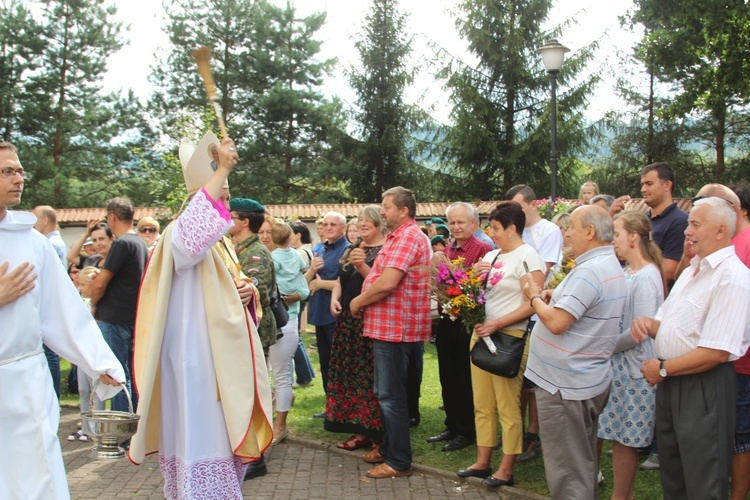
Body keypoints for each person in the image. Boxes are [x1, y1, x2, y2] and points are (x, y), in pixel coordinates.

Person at [128, 132, 273, 498]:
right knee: (202, 440)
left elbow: (234, 284)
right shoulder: (180, 233)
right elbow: (189, 248)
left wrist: (249, 291)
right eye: (220, 196)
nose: (225, 206)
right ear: (199, 201)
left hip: (220, 356)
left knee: (222, 442)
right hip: (196, 361)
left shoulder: (221, 240)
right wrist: (221, 168)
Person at [0, 140, 124, 499]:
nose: (18, 178)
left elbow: (63, 311)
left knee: (35, 479)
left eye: (19, 170)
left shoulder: (33, 243)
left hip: (25, 384)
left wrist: (98, 362)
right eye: (7, 171)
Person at [631, 196, 750, 500]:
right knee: (674, 474)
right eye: (688, 223)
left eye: (696, 224)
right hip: (674, 380)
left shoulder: (733, 278)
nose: (687, 231)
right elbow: (676, 327)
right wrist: (649, 324)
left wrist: (662, 368)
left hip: (703, 384)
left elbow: (716, 352)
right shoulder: (694, 271)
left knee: (704, 478)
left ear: (721, 230)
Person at [521, 205, 627, 499]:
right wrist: (555, 296)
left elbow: (556, 322)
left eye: (572, 227)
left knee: (568, 473)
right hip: (582, 381)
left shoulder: (590, 270)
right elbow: (584, 305)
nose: (566, 232)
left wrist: (532, 296)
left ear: (590, 232)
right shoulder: (604, 264)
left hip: (565, 387)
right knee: (580, 464)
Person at [456, 201, 545, 489]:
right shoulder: (493, 255)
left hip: (509, 338)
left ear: (512, 227)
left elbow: (534, 304)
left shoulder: (528, 256)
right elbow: (480, 295)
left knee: (508, 406)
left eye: (495, 228)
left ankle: (507, 467)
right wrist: (474, 281)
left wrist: (498, 322)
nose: (491, 233)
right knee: (482, 403)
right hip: (482, 335)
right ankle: (482, 462)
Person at [350, 186, 432, 479]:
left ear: (403, 210)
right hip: (390, 328)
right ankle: (389, 449)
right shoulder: (401, 236)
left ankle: (398, 461)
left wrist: (357, 302)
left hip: (395, 330)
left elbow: (387, 283)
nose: (382, 212)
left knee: (391, 397)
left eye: (386, 207)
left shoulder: (408, 236)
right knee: (386, 393)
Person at [597, 211, 665, 499]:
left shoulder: (647, 276)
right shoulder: (628, 272)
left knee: (626, 441)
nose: (614, 240)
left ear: (634, 237)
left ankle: (622, 495)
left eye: (617, 233)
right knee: (615, 436)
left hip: (635, 371)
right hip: (618, 368)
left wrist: (603, 345)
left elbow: (640, 329)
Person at [505, 184, 564, 462]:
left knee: (533, 379)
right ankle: (515, 432)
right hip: (516, 308)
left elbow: (543, 272)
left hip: (538, 307)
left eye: (519, 206)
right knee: (518, 374)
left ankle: (533, 433)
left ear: (532, 204)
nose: (516, 212)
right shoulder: (516, 230)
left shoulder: (549, 231)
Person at [427, 202, 491, 452]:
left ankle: (466, 430)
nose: (455, 227)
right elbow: (440, 285)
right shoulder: (449, 247)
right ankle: (451, 425)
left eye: (460, 222)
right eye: (452, 222)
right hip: (446, 317)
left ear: (473, 223)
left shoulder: (482, 248)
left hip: (467, 321)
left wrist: (453, 271)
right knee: (447, 376)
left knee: (464, 379)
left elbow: (478, 288)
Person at [325, 206, 387, 453]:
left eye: (367, 220)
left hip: (369, 322)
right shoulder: (353, 249)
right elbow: (342, 280)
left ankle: (378, 436)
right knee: (350, 377)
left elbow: (381, 284)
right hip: (347, 324)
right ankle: (359, 429)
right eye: (360, 220)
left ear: (379, 224)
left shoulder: (385, 251)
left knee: (370, 379)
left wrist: (362, 265)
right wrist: (334, 299)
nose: (362, 224)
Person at [88, 196, 148, 412]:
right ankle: (131, 428)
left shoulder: (122, 243)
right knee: (129, 373)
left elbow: (101, 283)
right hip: (131, 316)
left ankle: (122, 431)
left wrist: (93, 304)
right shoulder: (140, 243)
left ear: (112, 217)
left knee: (117, 376)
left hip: (114, 317)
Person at [305, 211, 350, 417]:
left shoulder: (347, 251)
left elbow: (348, 284)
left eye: (333, 224)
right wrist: (312, 272)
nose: (328, 228)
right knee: (325, 363)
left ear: (343, 228)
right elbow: (308, 281)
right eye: (325, 224)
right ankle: (330, 405)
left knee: (339, 362)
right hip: (319, 312)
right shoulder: (318, 250)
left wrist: (321, 283)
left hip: (337, 315)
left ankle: (344, 405)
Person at [269, 221, 310, 444]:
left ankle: (280, 425)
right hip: (285, 318)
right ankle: (271, 422)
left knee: (281, 376)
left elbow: (303, 290)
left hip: (284, 319)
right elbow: (303, 277)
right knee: (278, 376)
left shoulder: (273, 259)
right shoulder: (296, 256)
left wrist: (282, 297)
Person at [228, 199, 277, 354]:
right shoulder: (241, 249)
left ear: (245, 222)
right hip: (244, 327)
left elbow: (258, 293)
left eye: (231, 217)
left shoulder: (255, 253)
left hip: (254, 328)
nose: (226, 220)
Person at [640, 162, 688, 288]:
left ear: (667, 185)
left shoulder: (680, 221)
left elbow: (669, 271)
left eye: (649, 184)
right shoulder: (642, 220)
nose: (643, 189)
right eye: (642, 184)